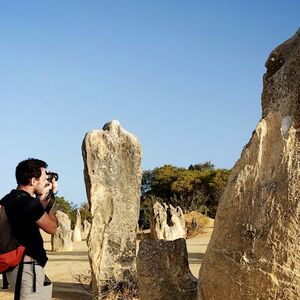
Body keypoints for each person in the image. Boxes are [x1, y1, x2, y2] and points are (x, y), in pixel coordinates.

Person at [1, 158, 58, 299]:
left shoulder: (8, 199)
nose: (46, 182)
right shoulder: (28, 203)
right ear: (33, 181)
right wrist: (49, 195)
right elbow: (52, 228)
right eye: (44, 178)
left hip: (19, 268)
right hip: (27, 268)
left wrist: (43, 197)